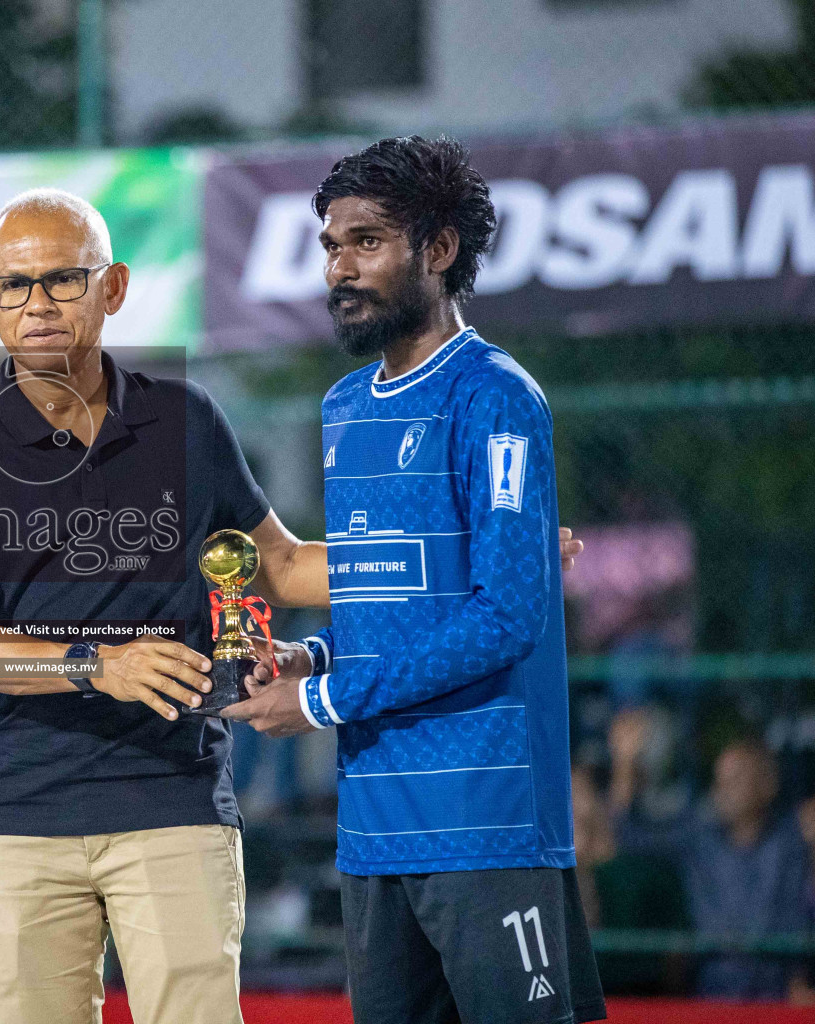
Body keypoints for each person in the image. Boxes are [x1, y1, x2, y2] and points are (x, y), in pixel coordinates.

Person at [0, 188, 583, 1023]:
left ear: (111, 287)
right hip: (14, 818)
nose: (37, 304)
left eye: (61, 280)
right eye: (13, 286)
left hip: (173, 803)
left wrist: (468, 556)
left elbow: (287, 568)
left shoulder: (185, 418)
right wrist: (100, 667)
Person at [224, 136, 606, 1024]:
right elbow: (396, 604)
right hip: (372, 832)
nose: (339, 267)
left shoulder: (495, 395)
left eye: (367, 241)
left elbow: (508, 615)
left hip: (487, 819)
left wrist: (324, 704)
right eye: (330, 245)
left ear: (438, 250)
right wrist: (311, 660)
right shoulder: (343, 406)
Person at [609, 711, 815, 1001]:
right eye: (720, 780)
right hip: (713, 997)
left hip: (779, 997)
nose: (723, 789)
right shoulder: (697, 837)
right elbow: (627, 837)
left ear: (768, 784)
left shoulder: (793, 840)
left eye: (737, 779)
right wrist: (625, 764)